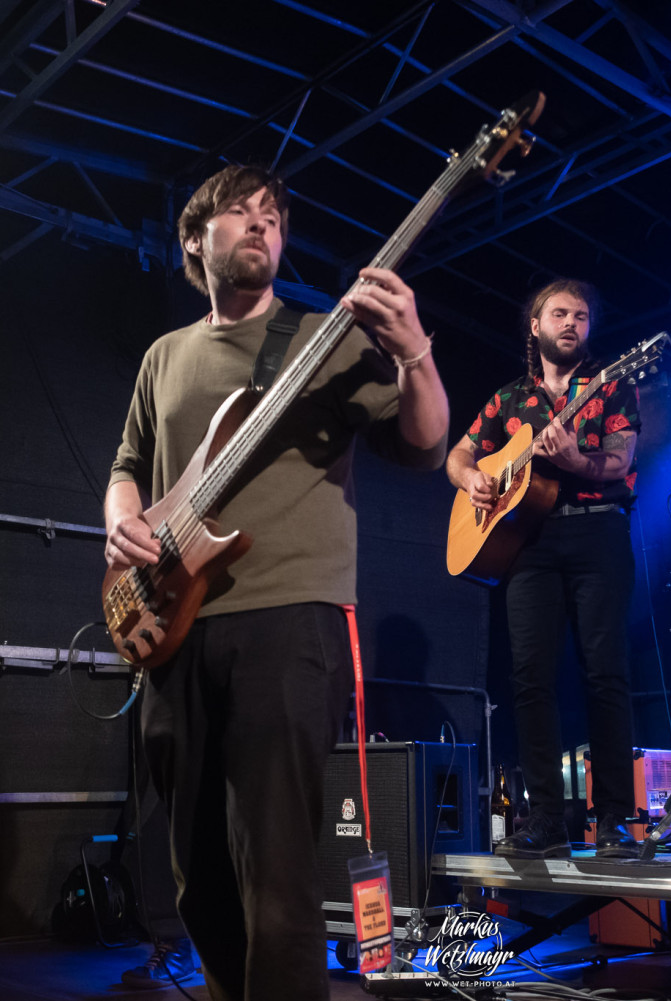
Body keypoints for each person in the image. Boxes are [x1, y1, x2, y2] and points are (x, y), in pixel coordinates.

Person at [105, 164, 449, 1001]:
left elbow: (425, 444)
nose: (261, 225)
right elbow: (127, 464)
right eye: (238, 212)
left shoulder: (323, 338)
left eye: (273, 216)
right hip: (171, 625)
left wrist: (414, 351)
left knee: (278, 866)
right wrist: (118, 520)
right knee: (196, 871)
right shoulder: (165, 355)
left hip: (290, 616)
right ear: (196, 238)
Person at [445, 279, 641, 860]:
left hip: (598, 531)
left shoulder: (613, 384)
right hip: (528, 541)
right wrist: (472, 479)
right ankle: (546, 821)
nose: (571, 323)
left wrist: (575, 458)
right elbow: (459, 453)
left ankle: (611, 819)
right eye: (559, 313)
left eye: (581, 316)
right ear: (535, 326)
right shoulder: (509, 399)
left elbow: (621, 459)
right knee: (531, 679)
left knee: (604, 674)